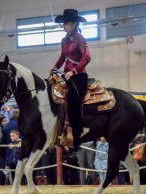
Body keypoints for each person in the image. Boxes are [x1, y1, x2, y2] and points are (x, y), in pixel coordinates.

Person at [53, 9, 91, 150]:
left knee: (74, 100)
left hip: (79, 75)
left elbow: (87, 57)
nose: (64, 26)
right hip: (67, 74)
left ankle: (77, 136)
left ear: (74, 24)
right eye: (64, 23)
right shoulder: (64, 40)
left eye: (67, 23)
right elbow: (63, 57)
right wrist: (55, 67)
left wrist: (73, 71)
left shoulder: (80, 38)